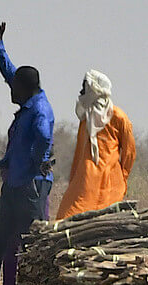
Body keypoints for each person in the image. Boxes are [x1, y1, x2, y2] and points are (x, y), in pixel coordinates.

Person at [0, 22, 55, 285]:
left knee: (32, 240)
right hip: (13, 183)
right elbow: (11, 73)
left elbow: (44, 137)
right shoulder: (28, 96)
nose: (10, 89)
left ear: (24, 89)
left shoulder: (40, 110)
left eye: (14, 87)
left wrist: (37, 161)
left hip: (30, 185)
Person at [55, 70, 137, 219]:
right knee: (67, 217)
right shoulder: (86, 118)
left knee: (106, 221)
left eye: (85, 87)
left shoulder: (118, 117)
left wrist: (123, 178)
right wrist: (74, 178)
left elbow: (129, 152)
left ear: (95, 90)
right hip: (85, 180)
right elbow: (79, 153)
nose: (81, 92)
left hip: (110, 181)